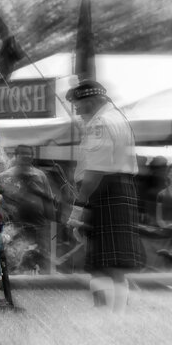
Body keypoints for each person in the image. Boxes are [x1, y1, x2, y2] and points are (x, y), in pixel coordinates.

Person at [66, 80, 145, 313]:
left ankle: (107, 314)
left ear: (90, 100)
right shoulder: (118, 118)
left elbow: (95, 172)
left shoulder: (100, 123)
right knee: (109, 261)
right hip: (118, 189)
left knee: (103, 262)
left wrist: (78, 206)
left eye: (77, 105)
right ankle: (114, 314)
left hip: (104, 190)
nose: (76, 111)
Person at [0, 144, 55, 274]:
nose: (26, 156)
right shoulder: (3, 177)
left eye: (29, 153)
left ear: (32, 157)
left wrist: (50, 222)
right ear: (16, 156)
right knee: (15, 264)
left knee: (43, 264)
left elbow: (48, 202)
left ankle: (45, 291)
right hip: (16, 229)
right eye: (23, 153)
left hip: (39, 228)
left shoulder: (41, 176)